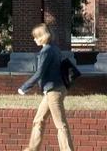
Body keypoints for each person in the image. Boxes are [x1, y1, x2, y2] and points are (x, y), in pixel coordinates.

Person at [17, 23, 74, 151]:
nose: (34, 39)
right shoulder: (54, 48)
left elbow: (39, 72)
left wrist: (25, 87)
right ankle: (32, 149)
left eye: (36, 37)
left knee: (60, 124)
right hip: (55, 90)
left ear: (42, 37)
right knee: (39, 120)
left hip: (54, 92)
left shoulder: (46, 51)